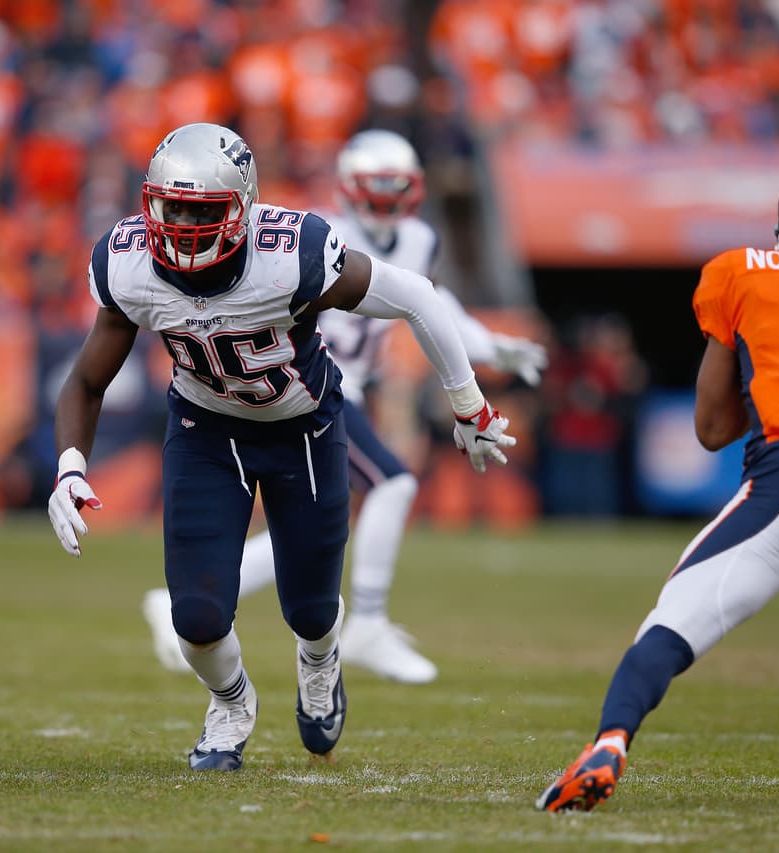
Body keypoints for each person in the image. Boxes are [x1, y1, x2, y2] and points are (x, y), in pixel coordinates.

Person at [48, 123, 516, 771]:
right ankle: (231, 704)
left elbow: (415, 295)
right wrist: (69, 466)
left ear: (241, 207)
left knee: (313, 607)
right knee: (197, 614)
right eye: (170, 206)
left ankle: (320, 664)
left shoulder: (293, 252)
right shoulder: (125, 261)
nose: (181, 225)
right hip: (205, 433)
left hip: (304, 428)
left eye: (201, 210)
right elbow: (86, 380)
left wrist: (469, 403)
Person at [538, 158, 779, 812]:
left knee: (671, 623)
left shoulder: (739, 271)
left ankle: (609, 742)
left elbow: (713, 427)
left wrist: (770, 365)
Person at [141, 128, 547, 684]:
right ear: (349, 189)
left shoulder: (419, 240)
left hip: (352, 390)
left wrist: (485, 343)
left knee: (323, 531)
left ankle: (181, 601)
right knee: (392, 484)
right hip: (316, 390)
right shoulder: (315, 237)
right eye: (374, 192)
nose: (384, 206)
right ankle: (368, 624)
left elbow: (424, 299)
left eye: (395, 192)